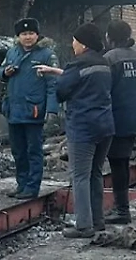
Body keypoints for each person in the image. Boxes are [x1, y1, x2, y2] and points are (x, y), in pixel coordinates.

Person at [36, 23, 114, 238]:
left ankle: (83, 226)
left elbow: (62, 91)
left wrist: (58, 78)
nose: (72, 44)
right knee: (96, 174)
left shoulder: (77, 64)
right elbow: (85, 80)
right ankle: (98, 222)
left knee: (79, 176)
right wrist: (57, 71)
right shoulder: (104, 63)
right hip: (105, 126)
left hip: (83, 127)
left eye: (74, 40)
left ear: (83, 43)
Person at [102, 19, 136, 224]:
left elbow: (104, 90)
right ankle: (121, 208)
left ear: (109, 37)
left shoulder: (109, 59)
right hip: (133, 118)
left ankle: (122, 211)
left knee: (115, 165)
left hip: (113, 119)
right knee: (122, 163)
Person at [0, 17, 58, 199]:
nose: (28, 37)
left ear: (37, 35)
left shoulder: (47, 55)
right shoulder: (12, 52)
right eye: (24, 34)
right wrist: (5, 73)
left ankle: (32, 187)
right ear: (18, 36)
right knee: (18, 150)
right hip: (14, 110)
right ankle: (21, 184)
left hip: (34, 111)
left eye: (31, 33)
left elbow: (53, 84)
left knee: (34, 150)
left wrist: (52, 110)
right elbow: (0, 73)